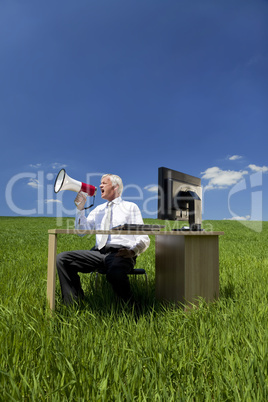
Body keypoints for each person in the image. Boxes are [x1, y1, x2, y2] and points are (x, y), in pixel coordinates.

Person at [56, 174, 150, 306]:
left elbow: (144, 237)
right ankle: (73, 305)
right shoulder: (98, 209)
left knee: (115, 272)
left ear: (116, 187)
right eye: (100, 183)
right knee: (63, 259)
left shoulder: (130, 207)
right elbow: (82, 231)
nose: (100, 185)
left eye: (104, 183)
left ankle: (131, 308)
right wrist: (80, 209)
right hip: (99, 253)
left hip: (120, 254)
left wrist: (132, 252)